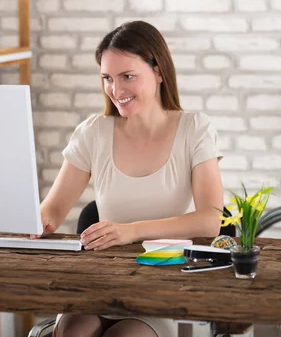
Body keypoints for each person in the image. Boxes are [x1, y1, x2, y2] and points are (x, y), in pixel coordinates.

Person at [37, 20, 224, 337]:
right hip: (101, 282)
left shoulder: (195, 128)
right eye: (107, 78)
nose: (116, 90)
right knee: (72, 333)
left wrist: (130, 231)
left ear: (159, 72)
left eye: (128, 76)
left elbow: (210, 220)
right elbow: (52, 210)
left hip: (162, 286)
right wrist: (34, 222)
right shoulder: (94, 131)